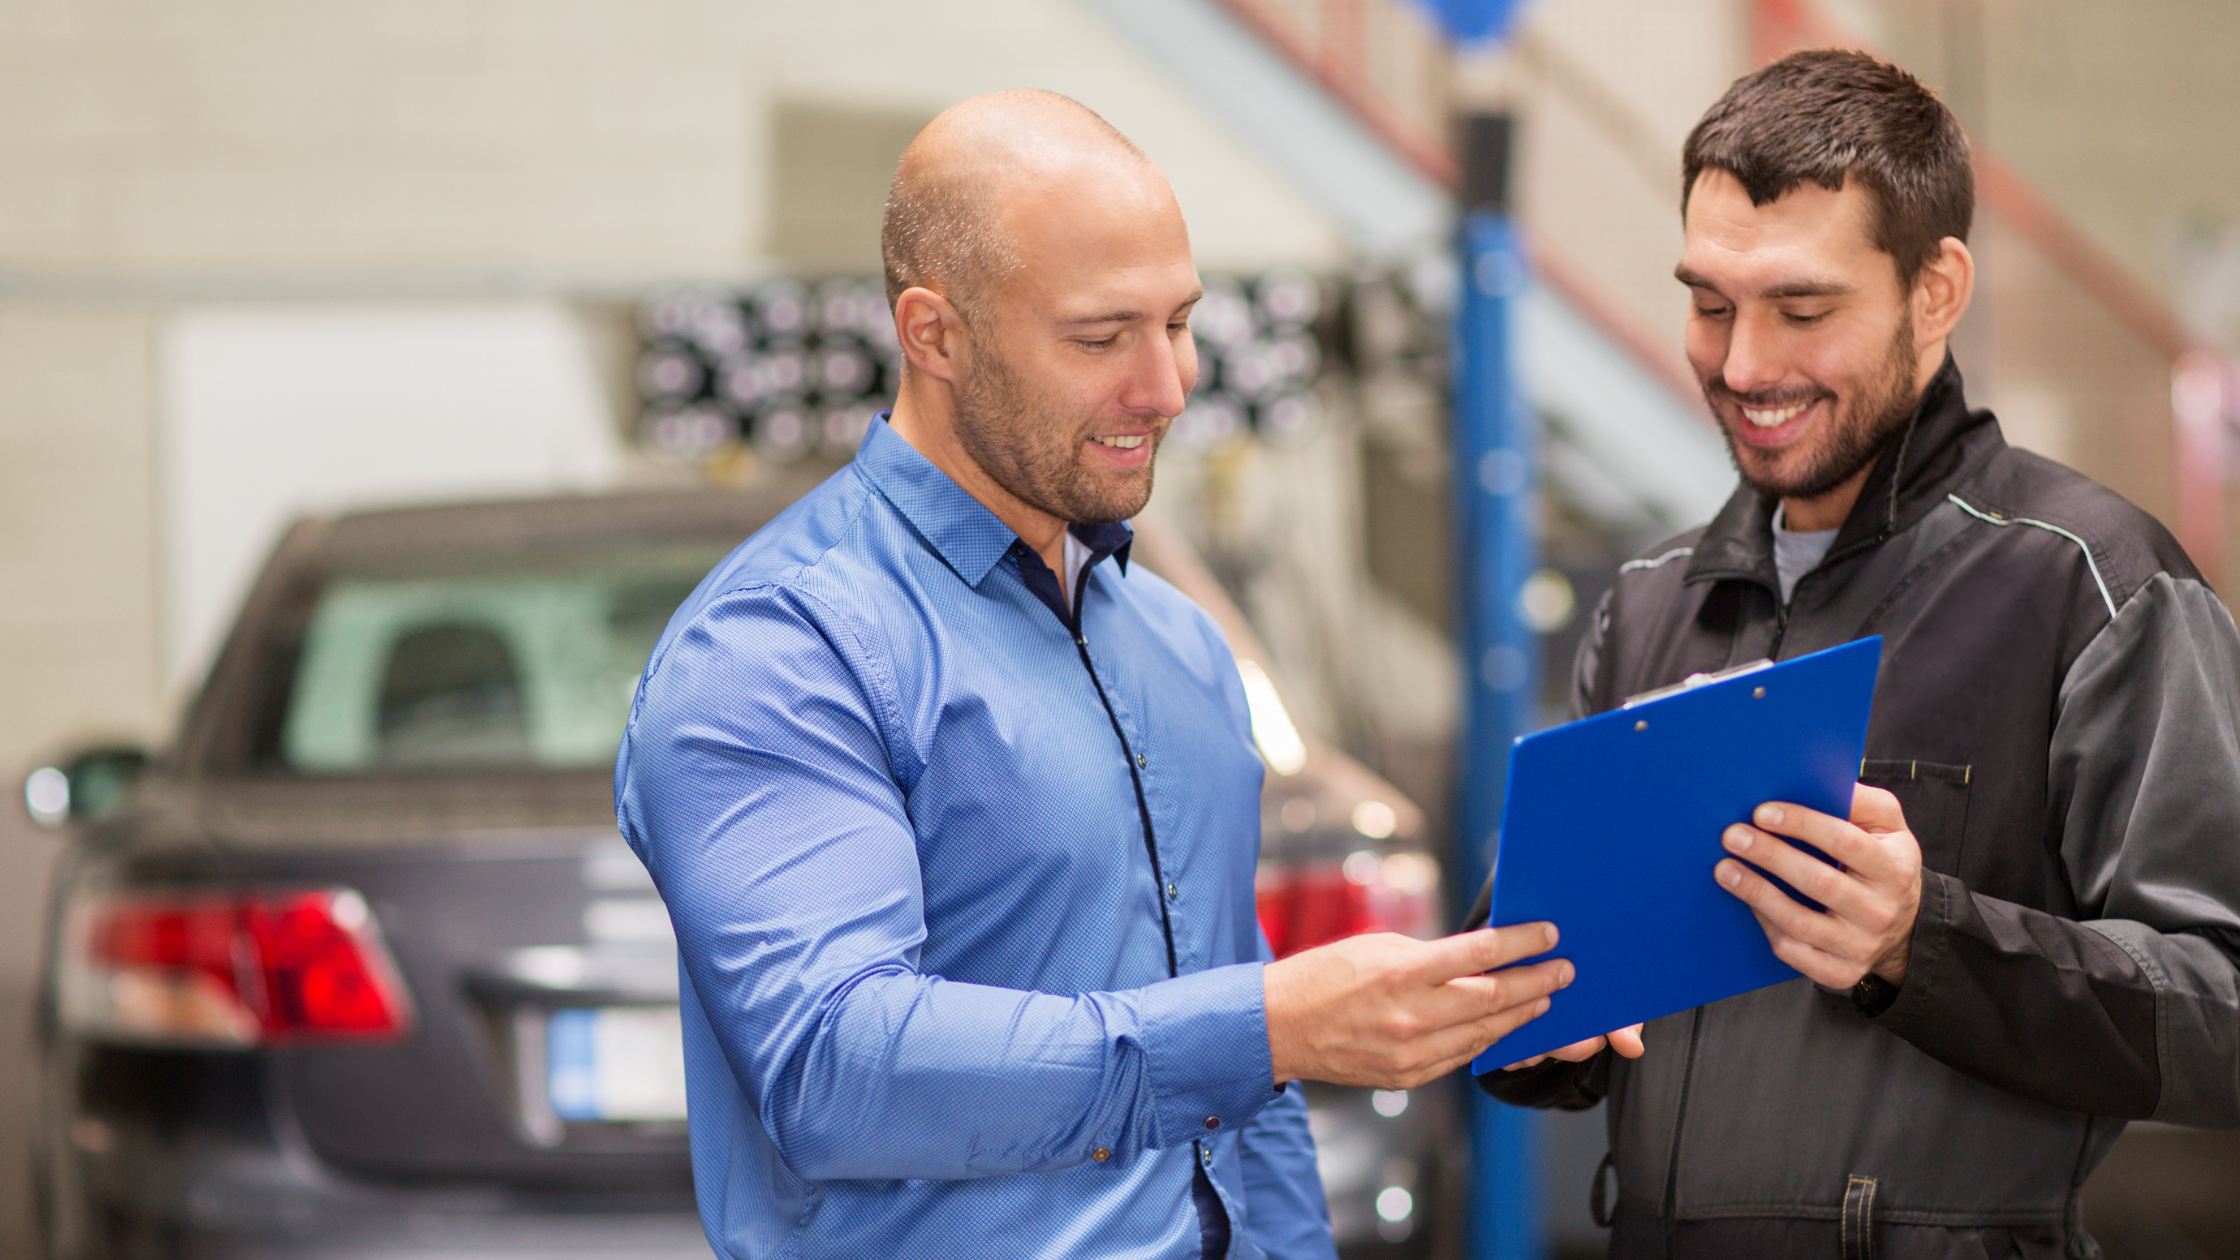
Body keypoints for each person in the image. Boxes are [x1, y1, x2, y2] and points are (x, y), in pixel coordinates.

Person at [616, 90, 1574, 1260]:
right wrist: (1262, 1029)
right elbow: (833, 1067)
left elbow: (1242, 1111)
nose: (1165, 387)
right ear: (934, 334)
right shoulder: (781, 645)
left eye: (1177, 323)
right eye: (1098, 335)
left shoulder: (1176, 646)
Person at [1473, 49, 2240, 1259]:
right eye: (1710, 303)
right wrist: (1526, 1014)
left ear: (1935, 292)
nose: (1740, 367)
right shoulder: (1646, 604)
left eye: (1801, 309)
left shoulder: (2089, 583)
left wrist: (1914, 941)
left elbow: (2223, 1011)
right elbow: (1526, 988)